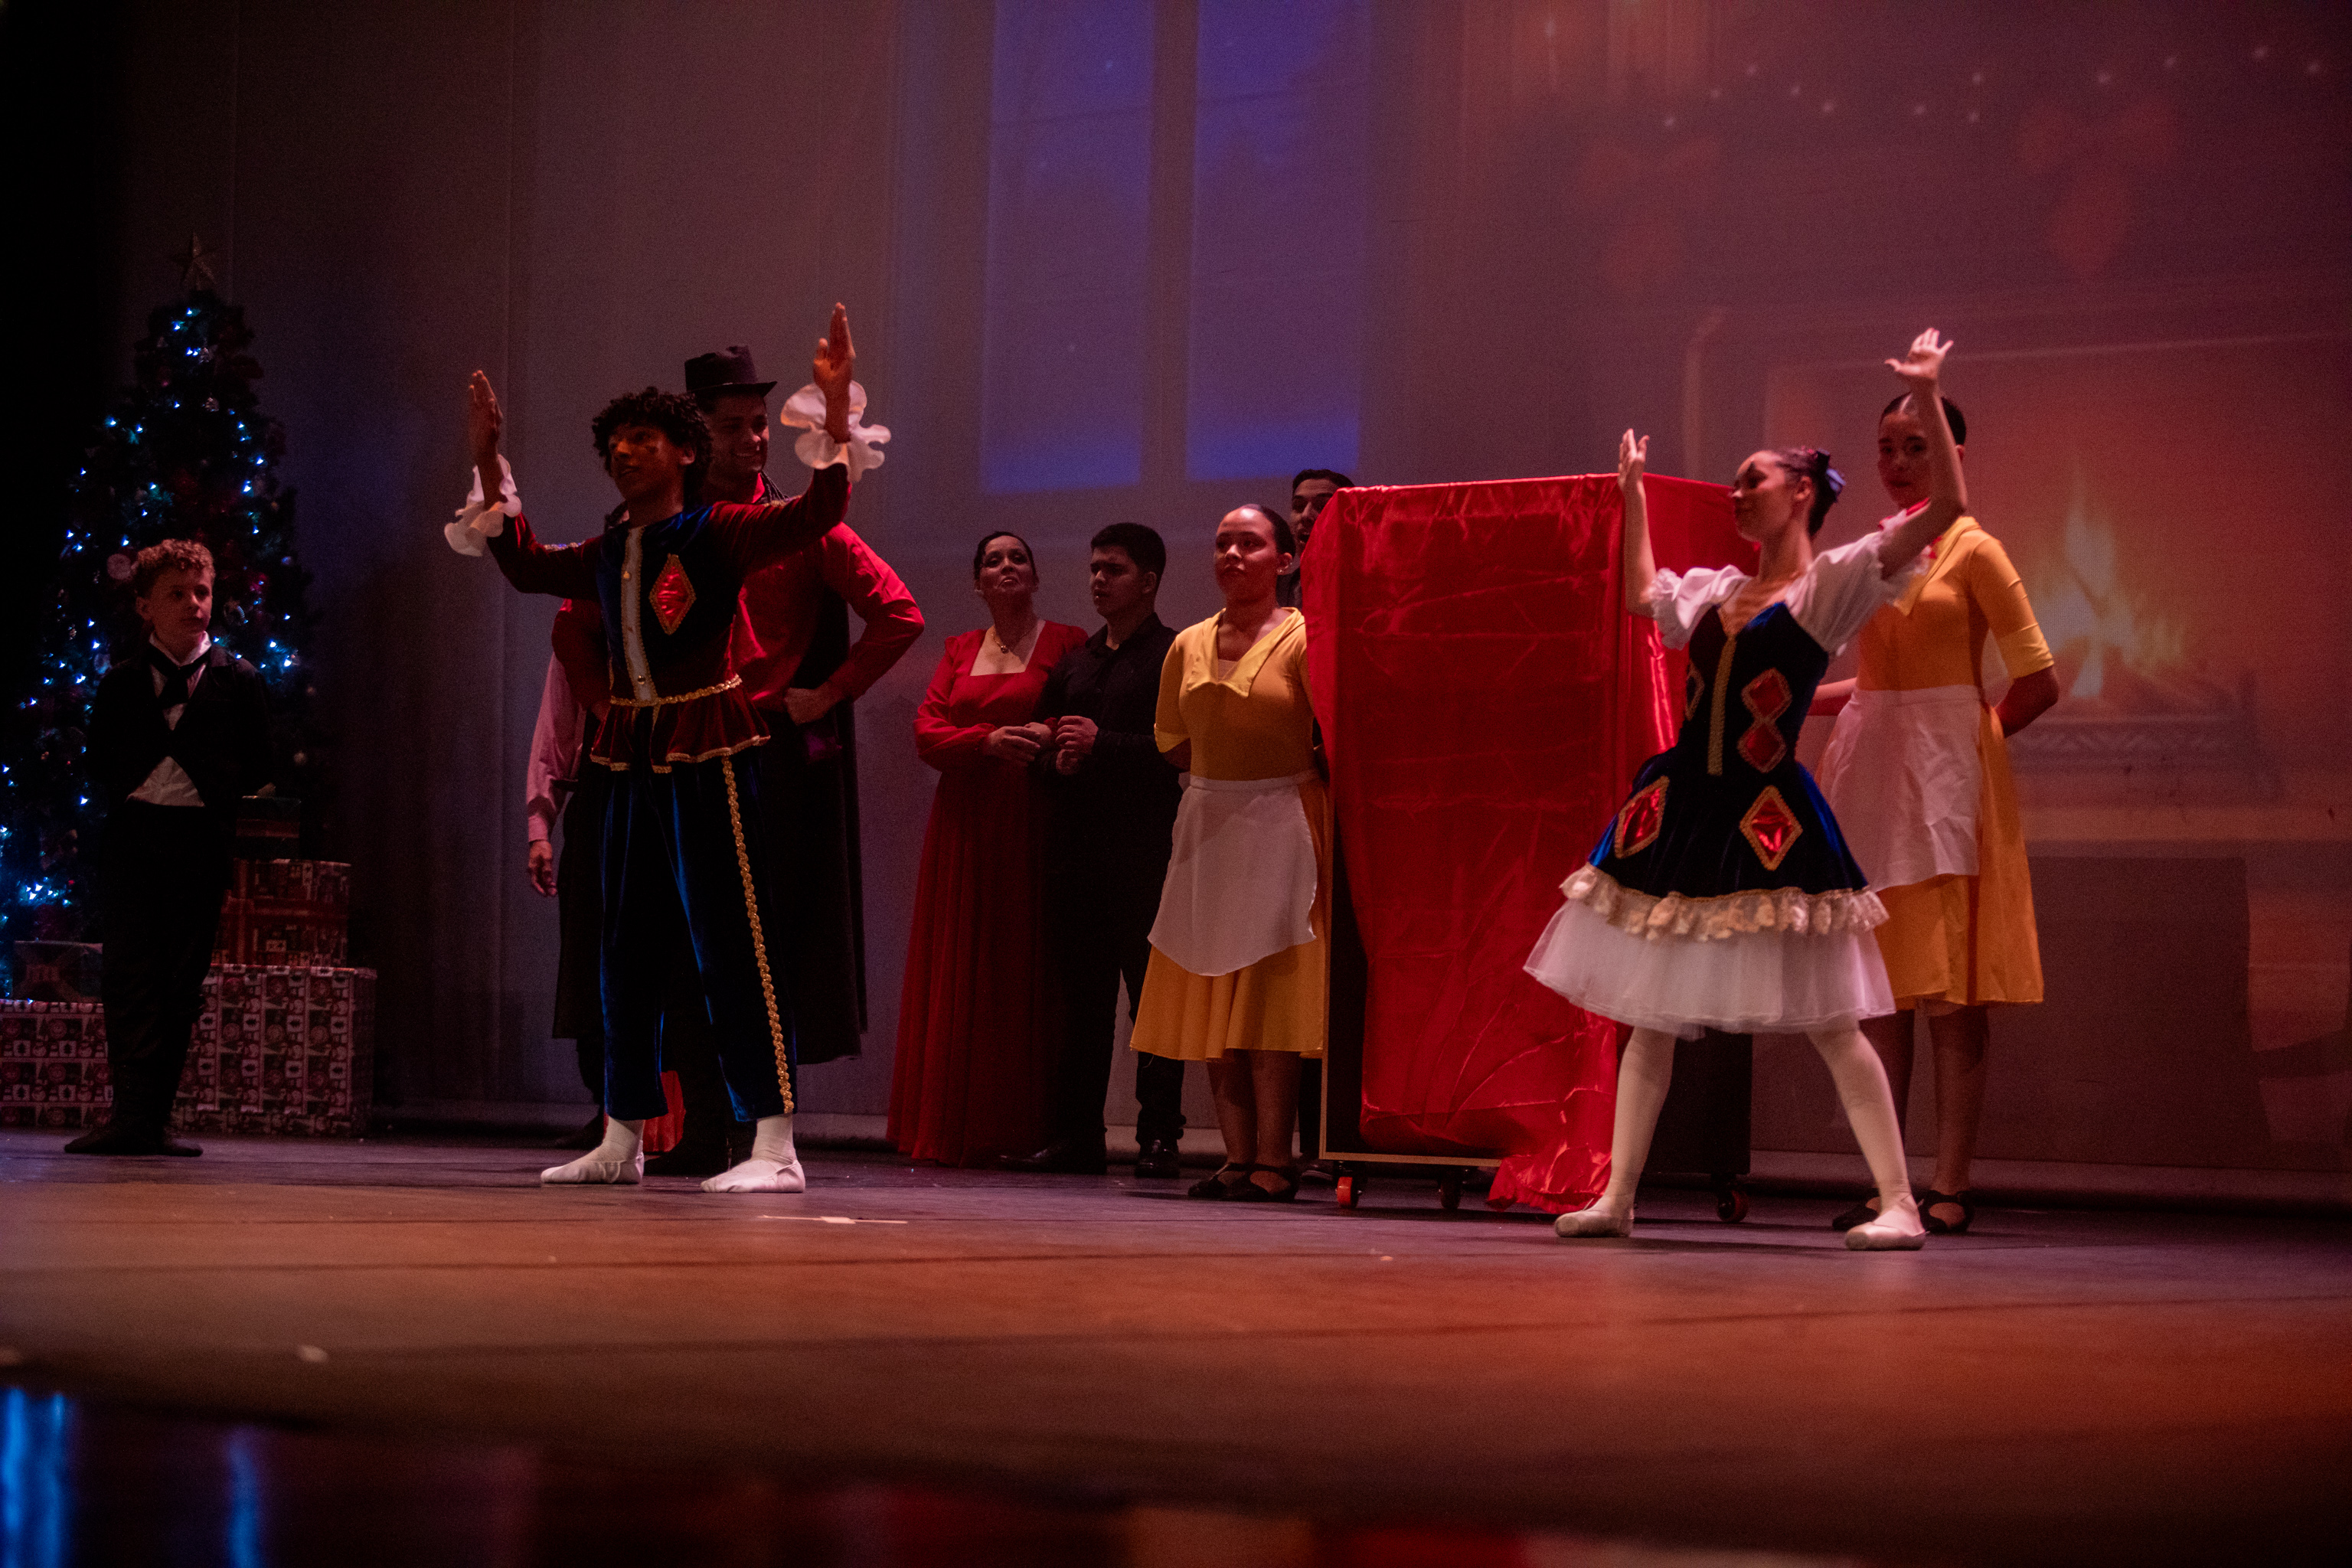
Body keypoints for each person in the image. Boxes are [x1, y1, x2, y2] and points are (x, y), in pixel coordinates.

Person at [1524, 330, 1968, 1251]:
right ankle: (1618, 1195)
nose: (1736, 492)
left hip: (1767, 818)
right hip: (1685, 809)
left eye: (1751, 478)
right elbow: (1642, 596)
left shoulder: (1828, 588)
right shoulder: (1715, 590)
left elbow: (1947, 507)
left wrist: (1927, 394)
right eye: (1733, 482)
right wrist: (1633, 494)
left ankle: (1898, 1199)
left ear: (1801, 491)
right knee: (1646, 1018)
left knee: (1831, 1020)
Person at [456, 303, 871, 1194]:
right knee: (626, 945)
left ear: (685, 451)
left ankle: (774, 1142)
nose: (625, 453)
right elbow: (524, 563)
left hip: (709, 750)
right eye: (616, 443)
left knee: (734, 940)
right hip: (631, 758)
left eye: (644, 439)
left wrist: (836, 417)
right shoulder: (610, 549)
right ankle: (623, 1134)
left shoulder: (719, 532)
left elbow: (818, 510)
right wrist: (490, 460)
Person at [1811, 394, 2060, 1236]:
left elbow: (2038, 678)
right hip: (1875, 773)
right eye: (1887, 447)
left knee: (1950, 989)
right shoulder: (1878, 552)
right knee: (1880, 988)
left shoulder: (1976, 549)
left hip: (1945, 781)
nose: (1898, 462)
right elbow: (1883, 681)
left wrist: (1971, 739)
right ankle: (1890, 1185)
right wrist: (1803, 701)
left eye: (1917, 446)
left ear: (1955, 455)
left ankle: (1949, 1182)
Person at [1132, 505, 1328, 1203]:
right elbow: (1173, 740)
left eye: (1250, 543)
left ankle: (1276, 1158)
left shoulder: (1307, 637)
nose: (1233, 555)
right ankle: (1236, 1157)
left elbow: (1330, 733)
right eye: (1222, 544)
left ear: (1285, 560)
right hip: (1209, 824)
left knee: (1268, 999)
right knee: (1214, 991)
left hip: (1283, 821)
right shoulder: (1187, 643)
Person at [67, 539, 272, 1157]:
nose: (193, 604)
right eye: (177, 594)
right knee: (130, 974)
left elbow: (259, 761)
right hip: (135, 841)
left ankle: (154, 1118)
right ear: (144, 607)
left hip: (198, 843)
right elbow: (100, 760)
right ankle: (129, 1115)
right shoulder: (121, 683)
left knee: (181, 980)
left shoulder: (239, 681)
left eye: (202, 592)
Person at [889, 533, 1087, 1166]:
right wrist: (987, 741)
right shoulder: (957, 649)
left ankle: (1023, 1126)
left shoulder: (1068, 642)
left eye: (1017, 558)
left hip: (1034, 814)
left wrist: (1044, 732)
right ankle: (959, 1123)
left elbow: (1081, 713)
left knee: (1025, 964)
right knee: (963, 957)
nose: (1006, 567)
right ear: (977, 583)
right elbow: (927, 733)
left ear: (1035, 576)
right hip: (967, 822)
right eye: (993, 561)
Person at [1000, 524, 1188, 1178]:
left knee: (1152, 1002)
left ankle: (1160, 1137)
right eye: (1094, 569)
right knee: (1081, 1004)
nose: (1099, 580)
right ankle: (1077, 1136)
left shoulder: (1173, 656)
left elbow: (1182, 754)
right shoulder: (1075, 664)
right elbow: (1043, 754)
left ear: (1149, 581)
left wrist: (1100, 744)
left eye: (1114, 569)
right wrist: (1057, 761)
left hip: (1146, 855)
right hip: (1077, 855)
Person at [524, 642, 610, 1151]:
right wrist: (540, 826)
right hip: (598, 801)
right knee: (590, 961)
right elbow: (554, 731)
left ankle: (698, 1117)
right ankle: (608, 1109)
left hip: (668, 795)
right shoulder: (584, 624)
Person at [1276, 467, 1352, 610]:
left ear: (1350, 520)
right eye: (1299, 506)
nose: (1305, 515)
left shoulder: (1373, 590)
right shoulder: (1273, 593)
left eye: (1322, 506)